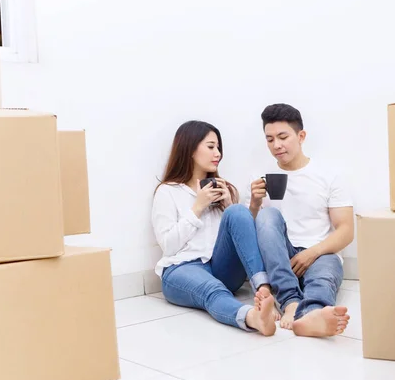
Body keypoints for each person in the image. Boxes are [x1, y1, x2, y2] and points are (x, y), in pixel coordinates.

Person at [151, 120, 277, 336]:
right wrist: (198, 207)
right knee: (213, 290)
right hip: (182, 269)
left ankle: (264, 291)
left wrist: (228, 206)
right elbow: (169, 246)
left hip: (221, 269)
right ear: (190, 149)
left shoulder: (223, 188)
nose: (217, 153)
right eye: (211, 147)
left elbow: (240, 240)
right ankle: (252, 317)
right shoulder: (167, 191)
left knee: (237, 212)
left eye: (218, 147)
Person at [246, 103, 354, 337]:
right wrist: (254, 204)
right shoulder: (260, 176)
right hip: (280, 255)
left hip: (319, 251)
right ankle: (291, 303)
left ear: (301, 136)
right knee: (267, 215)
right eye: (270, 139)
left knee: (323, 277)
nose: (276, 145)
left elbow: (346, 230)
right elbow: (250, 233)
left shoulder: (329, 175)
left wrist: (311, 253)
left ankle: (312, 315)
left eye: (283, 137)